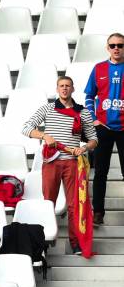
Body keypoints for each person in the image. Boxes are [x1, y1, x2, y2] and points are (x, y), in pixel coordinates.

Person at [23, 75, 98, 254]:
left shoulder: (83, 112)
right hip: (51, 162)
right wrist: (43, 136)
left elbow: (94, 139)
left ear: (73, 89)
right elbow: (26, 127)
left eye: (68, 86)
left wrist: (85, 147)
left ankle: (75, 243)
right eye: (61, 86)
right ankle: (43, 243)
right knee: (48, 203)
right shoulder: (48, 108)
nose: (64, 89)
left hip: (72, 163)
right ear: (57, 89)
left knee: (74, 205)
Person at [84, 32, 124, 225]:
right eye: (113, 45)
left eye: (120, 45)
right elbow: (88, 97)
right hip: (104, 127)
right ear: (108, 48)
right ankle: (98, 211)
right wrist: (93, 119)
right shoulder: (99, 68)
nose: (117, 48)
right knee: (100, 171)